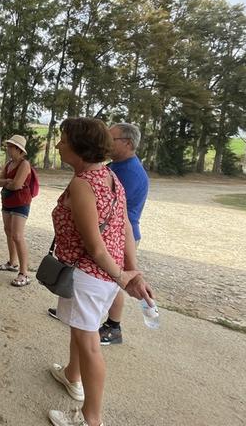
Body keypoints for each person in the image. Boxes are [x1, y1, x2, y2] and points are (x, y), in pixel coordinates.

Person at [47, 117, 153, 426]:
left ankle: (91, 418)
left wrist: (125, 277)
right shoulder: (109, 178)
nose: (58, 145)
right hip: (100, 277)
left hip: (88, 276)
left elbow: (96, 247)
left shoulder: (83, 184)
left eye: (63, 140)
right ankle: (71, 375)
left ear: (78, 148)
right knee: (82, 331)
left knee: (90, 343)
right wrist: (131, 273)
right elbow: (126, 232)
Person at [98, 123, 150, 345]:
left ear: (127, 143)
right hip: (115, 233)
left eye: (112, 139)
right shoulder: (119, 166)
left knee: (117, 279)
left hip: (122, 235)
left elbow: (113, 210)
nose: (107, 143)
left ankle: (113, 326)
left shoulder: (129, 172)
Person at [0, 134, 33, 287]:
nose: (8, 149)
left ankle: (24, 273)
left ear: (18, 149)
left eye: (10, 146)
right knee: (9, 232)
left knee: (17, 235)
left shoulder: (24, 165)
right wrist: (8, 182)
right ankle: (12, 262)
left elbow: (16, 185)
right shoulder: (9, 164)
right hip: (8, 201)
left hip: (20, 203)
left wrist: (7, 183)